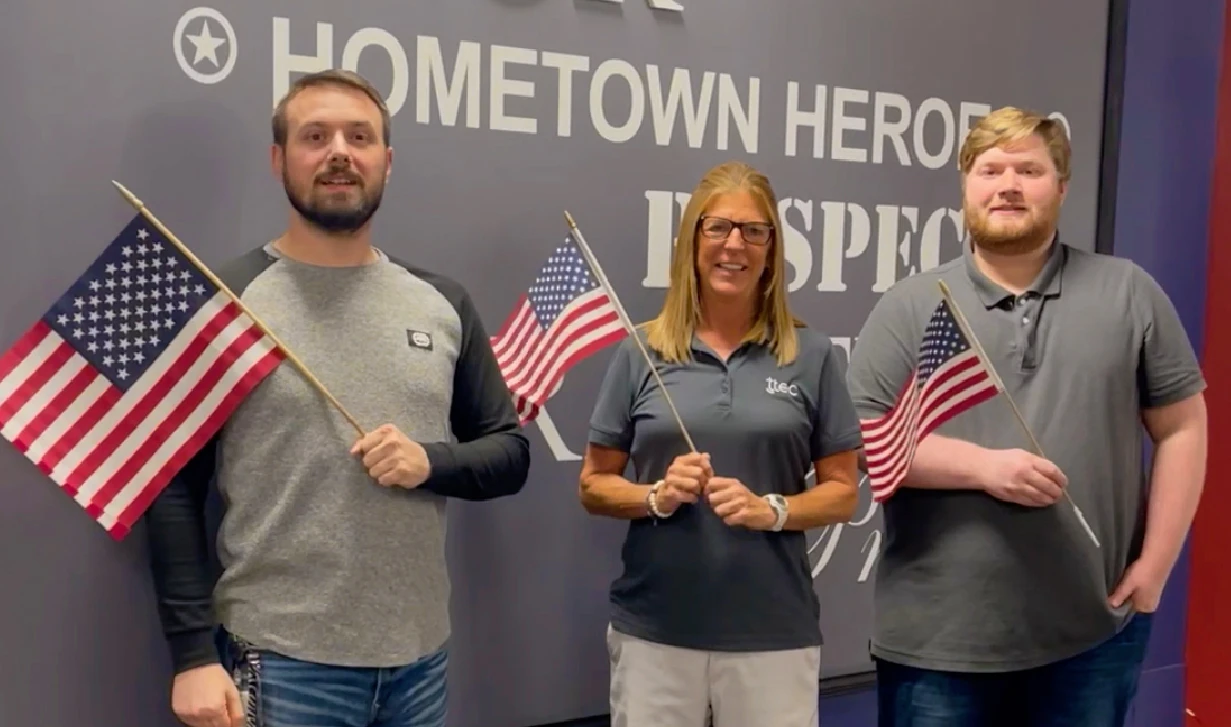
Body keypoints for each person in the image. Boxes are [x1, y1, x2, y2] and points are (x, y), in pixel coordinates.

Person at [144, 69, 531, 727]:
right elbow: (171, 485)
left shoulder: (441, 303)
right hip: (282, 661)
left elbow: (509, 453)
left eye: (359, 136)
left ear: (386, 160)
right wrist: (190, 654)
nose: (339, 153)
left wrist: (429, 462)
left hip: (419, 662)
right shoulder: (226, 301)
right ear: (278, 159)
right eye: (314, 136)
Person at [846, 106, 1208, 727]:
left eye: (1029, 170)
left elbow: (1183, 427)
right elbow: (858, 435)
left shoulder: (1129, 292)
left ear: (1061, 186)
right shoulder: (911, 304)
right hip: (938, 643)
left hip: (1093, 635)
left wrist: (1155, 568)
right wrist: (983, 468)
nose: (1007, 184)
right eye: (990, 169)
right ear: (966, 185)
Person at [578, 160, 864, 727]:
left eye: (753, 231)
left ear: (771, 249)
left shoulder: (813, 355)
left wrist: (773, 510)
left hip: (773, 635)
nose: (734, 244)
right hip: (656, 633)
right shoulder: (642, 351)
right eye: (718, 228)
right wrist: (655, 496)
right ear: (692, 240)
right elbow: (593, 485)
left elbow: (842, 493)